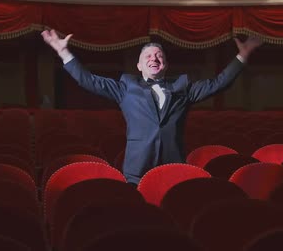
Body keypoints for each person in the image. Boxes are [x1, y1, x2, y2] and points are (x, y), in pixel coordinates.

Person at [41, 29, 262, 184]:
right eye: (147, 55)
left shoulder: (182, 87)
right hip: (136, 170)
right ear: (139, 65)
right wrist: (63, 52)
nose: (153, 58)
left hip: (173, 166)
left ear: (165, 64)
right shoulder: (125, 87)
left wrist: (243, 55)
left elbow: (219, 83)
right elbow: (88, 80)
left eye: (159, 55)